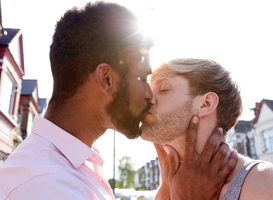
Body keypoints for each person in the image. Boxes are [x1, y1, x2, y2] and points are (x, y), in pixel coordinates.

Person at [0, 2, 236, 200]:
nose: (148, 94)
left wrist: (167, 190)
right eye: (143, 78)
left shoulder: (73, 165)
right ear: (107, 79)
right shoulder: (45, 185)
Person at [141, 58, 273, 200]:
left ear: (206, 103)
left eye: (164, 89)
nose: (146, 96)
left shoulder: (264, 183)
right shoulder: (166, 190)